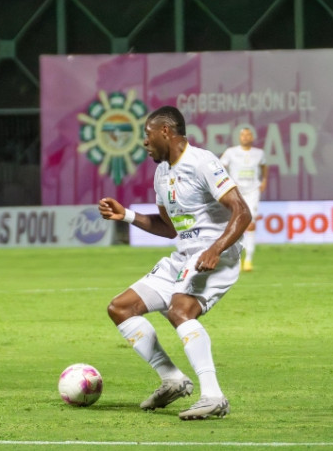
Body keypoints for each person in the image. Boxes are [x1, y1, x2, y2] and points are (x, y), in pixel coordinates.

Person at [98, 106, 252, 420]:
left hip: (216, 255)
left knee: (180, 310)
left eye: (147, 134)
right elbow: (170, 228)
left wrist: (216, 248)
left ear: (165, 131)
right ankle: (172, 379)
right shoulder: (162, 173)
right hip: (184, 256)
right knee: (121, 308)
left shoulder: (202, 162)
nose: (144, 142)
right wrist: (126, 215)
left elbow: (242, 211)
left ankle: (213, 396)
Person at [219, 127, 266, 272]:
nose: (246, 137)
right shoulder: (231, 152)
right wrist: (224, 183)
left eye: (248, 134)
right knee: (234, 224)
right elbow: (220, 166)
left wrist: (264, 180)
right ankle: (234, 258)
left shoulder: (259, 153)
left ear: (252, 137)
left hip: (252, 191)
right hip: (236, 191)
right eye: (243, 135)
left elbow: (264, 166)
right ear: (239, 137)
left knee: (250, 224)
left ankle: (248, 259)